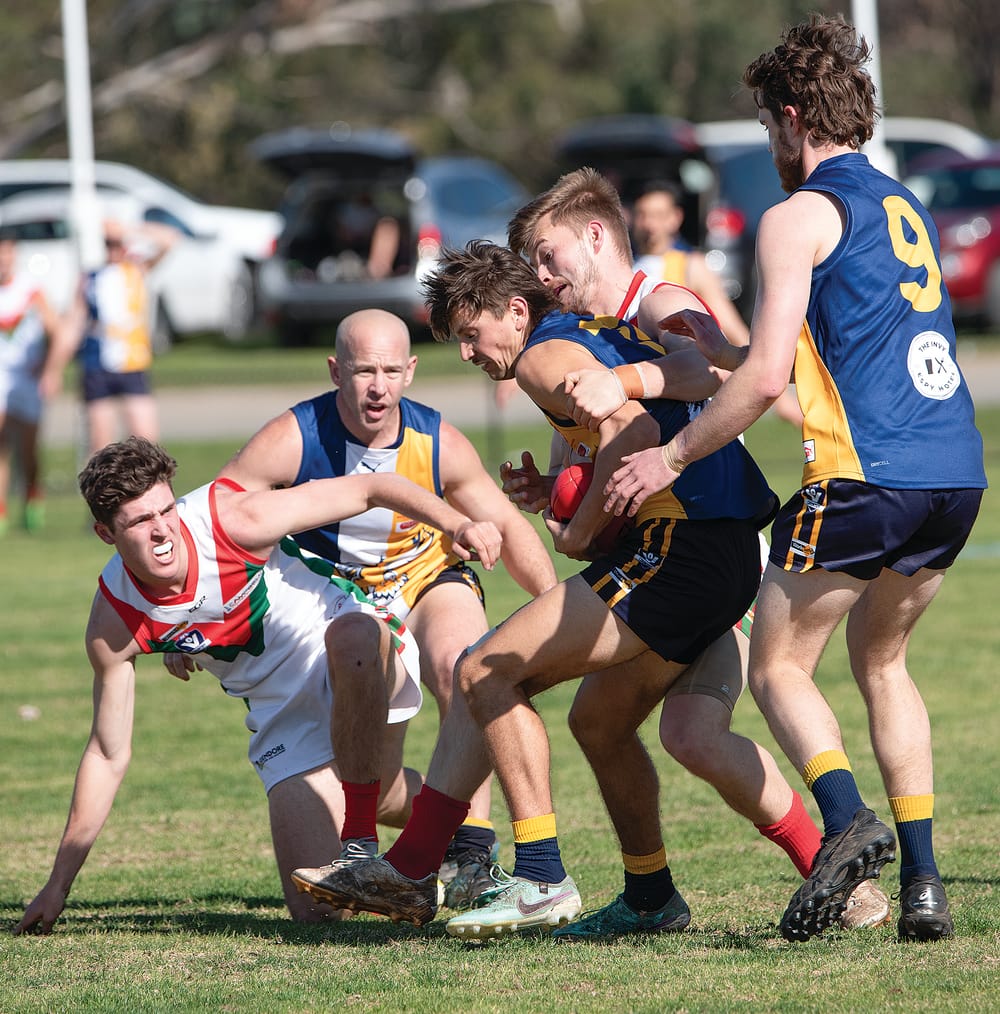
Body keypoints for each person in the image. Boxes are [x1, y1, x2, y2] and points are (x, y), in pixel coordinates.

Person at [596, 14, 986, 942]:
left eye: (771, 127)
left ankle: (846, 822)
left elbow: (773, 384)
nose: (772, 145)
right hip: (954, 471)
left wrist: (672, 453)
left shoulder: (795, 213)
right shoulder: (902, 203)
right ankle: (926, 886)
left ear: (794, 115)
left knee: (777, 666)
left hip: (865, 474)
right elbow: (825, 349)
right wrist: (724, 348)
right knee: (883, 663)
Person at [289, 240, 781, 942]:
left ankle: (540, 877)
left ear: (515, 312)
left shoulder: (540, 358)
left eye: (469, 333)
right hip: (718, 544)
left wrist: (580, 527)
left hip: (685, 549)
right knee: (583, 716)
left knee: (488, 669)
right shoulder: (579, 333)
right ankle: (432, 869)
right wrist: (557, 490)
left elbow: (634, 427)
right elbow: (661, 402)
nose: (467, 353)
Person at [506, 169, 888, 933]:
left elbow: (712, 368)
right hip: (674, 543)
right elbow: (608, 455)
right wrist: (555, 486)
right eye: (534, 268)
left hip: (709, 546)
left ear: (594, 235)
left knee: (658, 723)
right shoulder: (579, 336)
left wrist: (627, 380)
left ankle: (838, 875)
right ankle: (660, 894)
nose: (544, 279)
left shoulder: (659, 303)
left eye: (550, 258)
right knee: (637, 728)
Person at [15, 436, 502, 933]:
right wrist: (58, 885)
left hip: (347, 643)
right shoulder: (114, 621)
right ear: (105, 533)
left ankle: (360, 845)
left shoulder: (231, 520)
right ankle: (447, 821)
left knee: (353, 637)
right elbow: (106, 753)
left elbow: (372, 487)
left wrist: (456, 522)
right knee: (316, 914)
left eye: (165, 510)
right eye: (140, 522)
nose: (163, 531)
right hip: (279, 713)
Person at [207, 307, 557, 907]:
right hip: (335, 593)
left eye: (391, 371)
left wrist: (555, 611)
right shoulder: (295, 435)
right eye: (364, 370)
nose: (378, 386)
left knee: (461, 662)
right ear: (335, 369)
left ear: (412, 371)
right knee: (357, 655)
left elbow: (499, 521)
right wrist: (195, 617)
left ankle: (473, 855)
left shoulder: (436, 438)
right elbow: (219, 519)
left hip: (427, 578)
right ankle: (362, 847)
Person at [64, 219, 178, 457]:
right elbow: (74, 322)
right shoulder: (91, 277)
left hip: (132, 363)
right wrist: (54, 365)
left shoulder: (136, 270)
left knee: (146, 440)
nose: (114, 249)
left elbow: (170, 239)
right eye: (108, 244)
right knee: (100, 444)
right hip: (97, 364)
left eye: (118, 244)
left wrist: (128, 229)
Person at [0, 230, 68, 535]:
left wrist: (50, 369)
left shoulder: (31, 291)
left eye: (8, 252)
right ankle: (1, 510)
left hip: (26, 379)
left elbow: (57, 332)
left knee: (27, 449)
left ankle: (32, 496)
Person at [632, 179, 751, 347]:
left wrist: (757, 363)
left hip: (680, 364)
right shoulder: (625, 265)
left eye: (659, 215)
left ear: (676, 218)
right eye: (643, 215)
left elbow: (729, 326)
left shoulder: (691, 265)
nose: (650, 224)